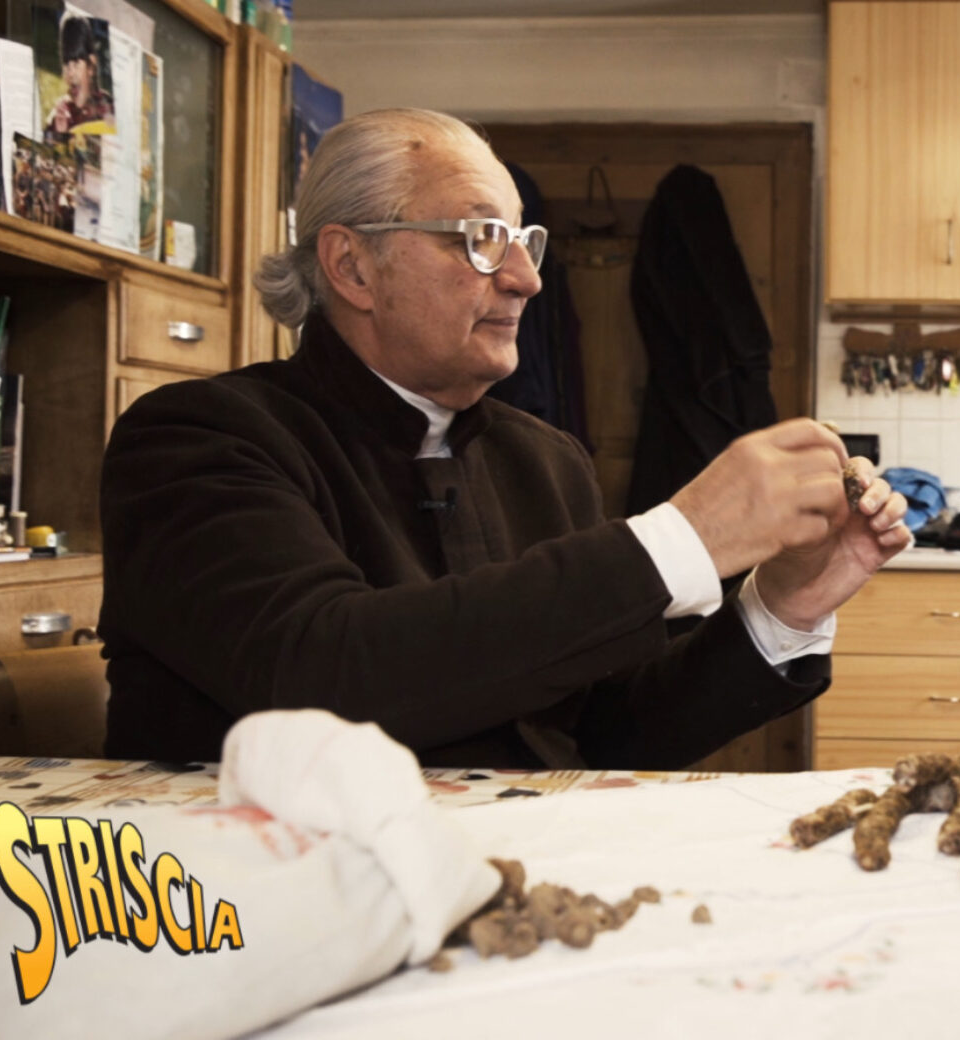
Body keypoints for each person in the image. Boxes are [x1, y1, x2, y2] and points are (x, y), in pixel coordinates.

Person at [99, 108, 910, 768]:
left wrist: (783, 604)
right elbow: (325, 674)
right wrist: (682, 538)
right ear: (351, 267)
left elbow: (605, 738)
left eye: (525, 242)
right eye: (481, 239)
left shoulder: (546, 460)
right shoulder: (195, 439)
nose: (526, 278)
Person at [45, 15, 113, 139]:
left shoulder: (108, 109)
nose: (70, 73)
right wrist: (61, 132)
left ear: (90, 67)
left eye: (76, 64)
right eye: (66, 65)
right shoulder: (62, 115)